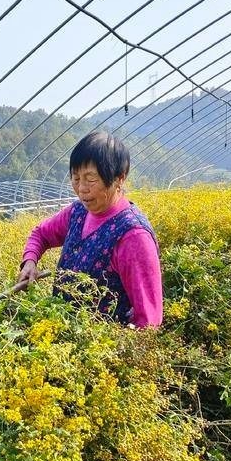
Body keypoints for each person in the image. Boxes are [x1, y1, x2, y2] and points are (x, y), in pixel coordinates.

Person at [17, 131, 162, 327]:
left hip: (103, 351)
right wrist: (30, 261)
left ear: (119, 178)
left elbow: (149, 321)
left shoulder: (133, 236)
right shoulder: (78, 212)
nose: (82, 188)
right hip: (60, 342)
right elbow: (41, 234)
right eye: (76, 178)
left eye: (90, 179)